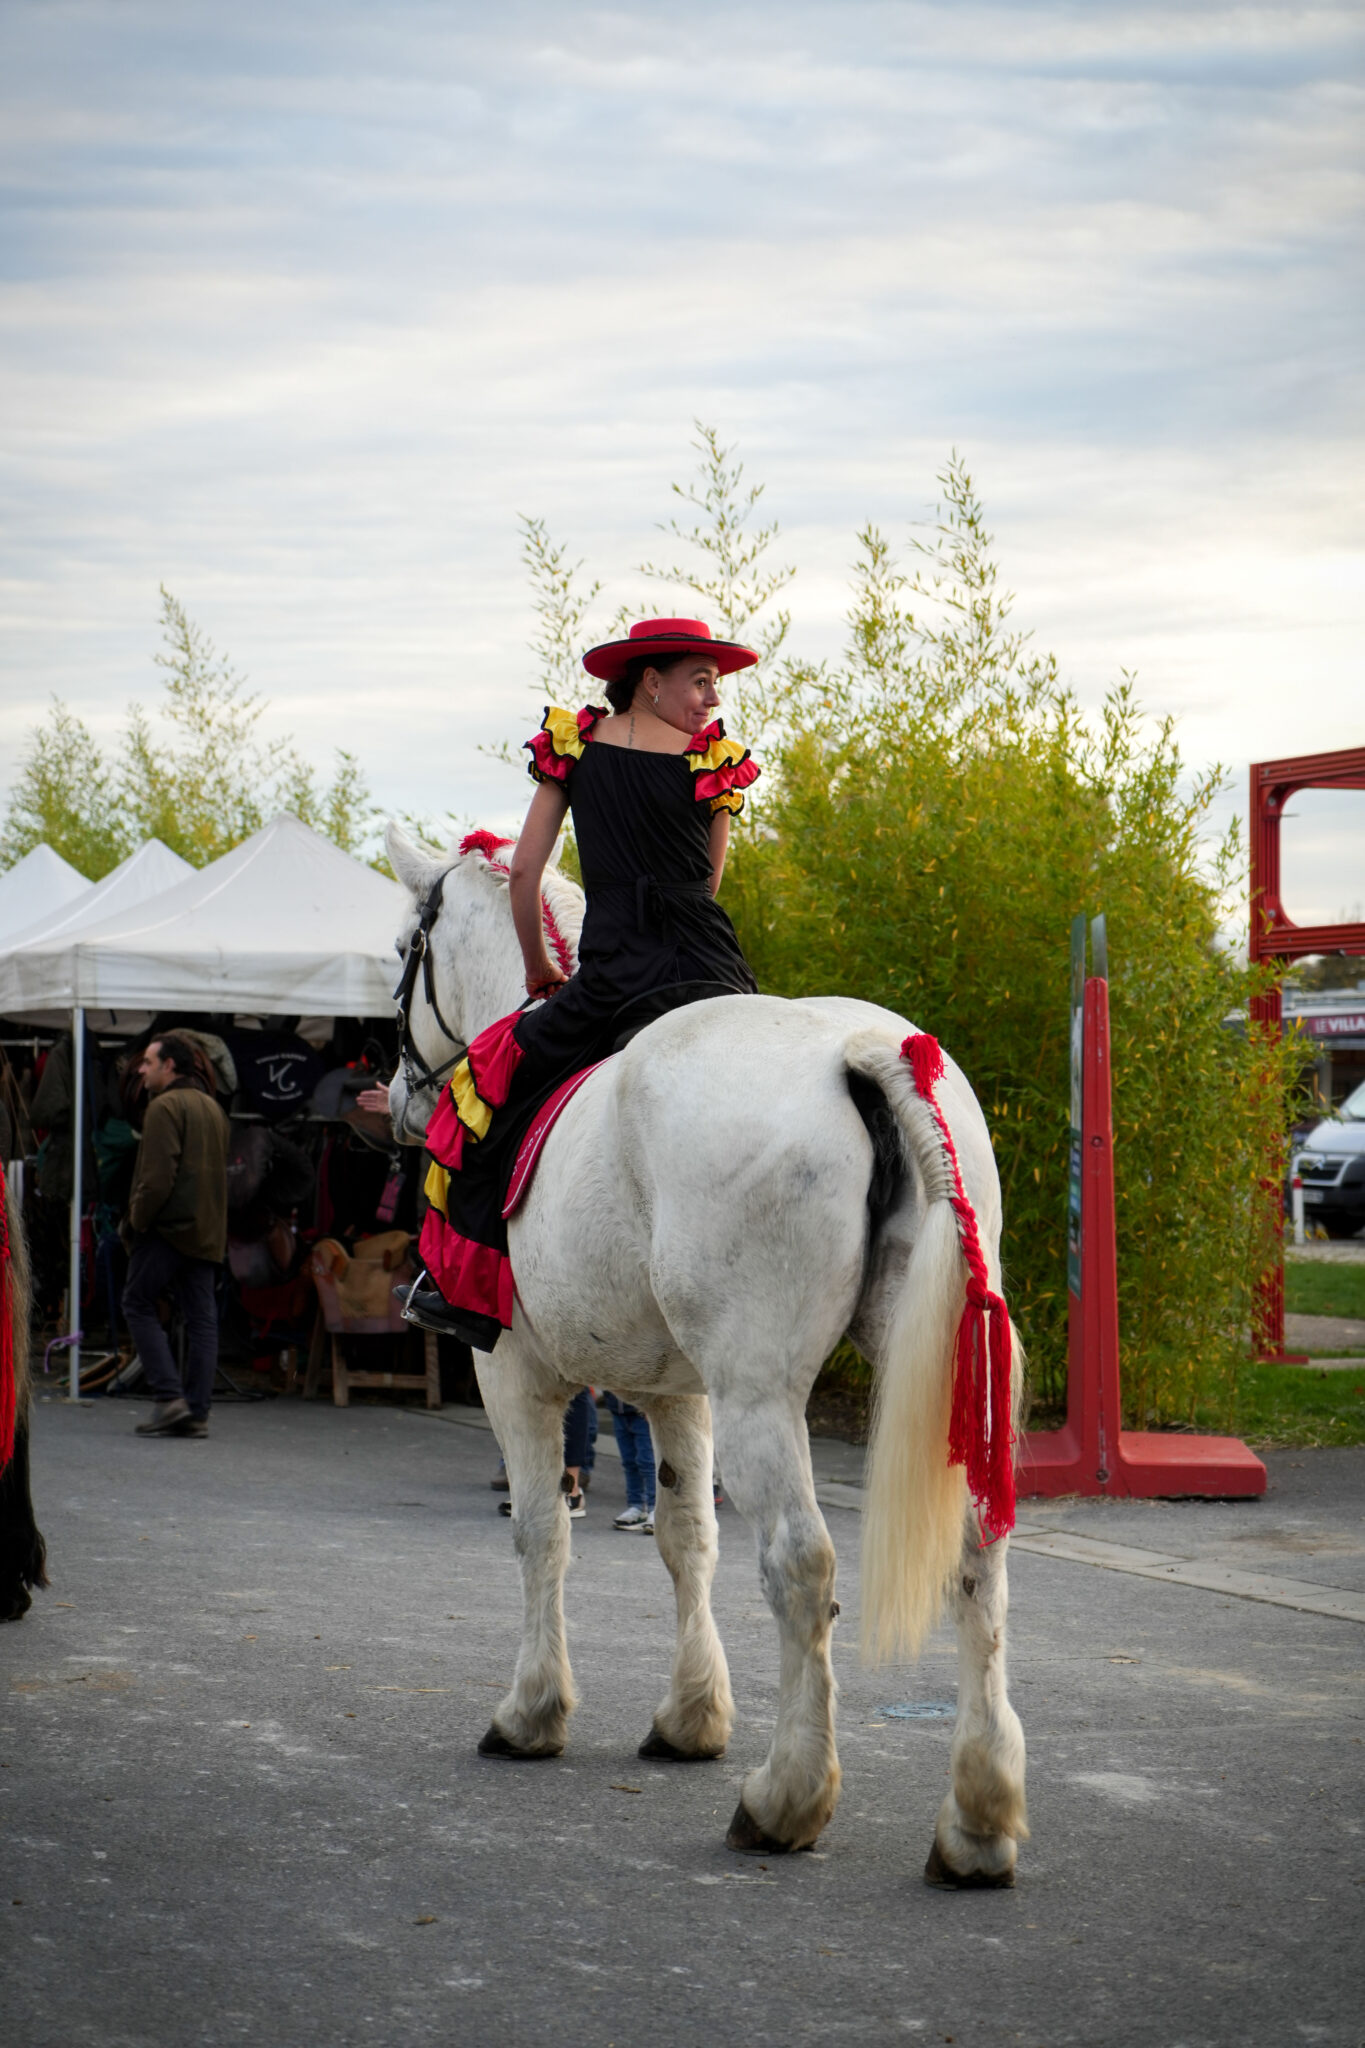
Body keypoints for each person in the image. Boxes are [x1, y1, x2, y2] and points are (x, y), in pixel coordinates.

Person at [405, 616, 761, 1351]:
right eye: (700, 682)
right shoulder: (711, 762)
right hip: (707, 967)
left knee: (485, 1099)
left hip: (613, 972)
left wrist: (539, 969)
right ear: (650, 680)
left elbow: (526, 875)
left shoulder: (574, 749)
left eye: (713, 686)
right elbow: (709, 882)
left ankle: (459, 1295)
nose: (708, 701)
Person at [121, 1033, 230, 1438]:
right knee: (202, 1320)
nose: (141, 1069)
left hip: (168, 1228)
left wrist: (136, 1221)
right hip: (206, 1232)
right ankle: (197, 1412)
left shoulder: (165, 1106)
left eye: (148, 1062)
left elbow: (155, 1180)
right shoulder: (212, 1107)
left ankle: (170, 1399)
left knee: (136, 1302)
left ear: (170, 1066)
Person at [603, 1390, 656, 1531]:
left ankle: (655, 1507)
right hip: (618, 1412)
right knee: (629, 1462)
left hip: (641, 1412)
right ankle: (636, 1506)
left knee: (648, 1462)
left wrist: (649, 1404)